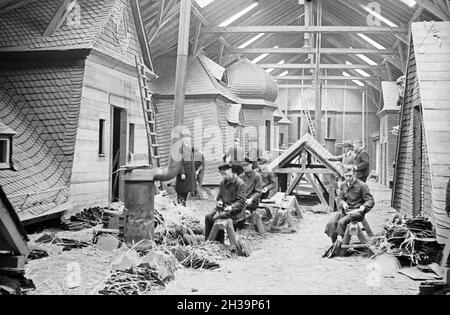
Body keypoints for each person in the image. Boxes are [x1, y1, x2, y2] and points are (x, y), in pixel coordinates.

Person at [324, 165, 375, 243]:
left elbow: (370, 200)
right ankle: (335, 244)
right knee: (331, 223)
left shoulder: (362, 185)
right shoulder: (342, 185)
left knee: (341, 222)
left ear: (354, 174)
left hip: (357, 212)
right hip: (345, 211)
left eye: (350, 176)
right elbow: (340, 199)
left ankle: (341, 240)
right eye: (346, 176)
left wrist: (364, 206)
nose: (348, 178)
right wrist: (343, 203)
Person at [204, 163, 246, 242]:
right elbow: (219, 197)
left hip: (236, 211)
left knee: (217, 218)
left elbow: (241, 202)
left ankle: (219, 241)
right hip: (223, 208)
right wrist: (219, 201)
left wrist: (231, 207)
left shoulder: (239, 183)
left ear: (231, 171)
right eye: (222, 174)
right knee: (208, 216)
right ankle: (208, 240)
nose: (223, 176)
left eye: (225, 174)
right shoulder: (223, 183)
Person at [175, 130, 196, 206]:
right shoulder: (180, 148)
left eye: (189, 137)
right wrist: (182, 172)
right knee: (181, 192)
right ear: (183, 138)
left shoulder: (188, 148)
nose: (189, 139)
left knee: (185, 192)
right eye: (187, 137)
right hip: (183, 174)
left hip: (189, 174)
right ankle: (180, 209)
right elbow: (179, 161)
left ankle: (183, 207)